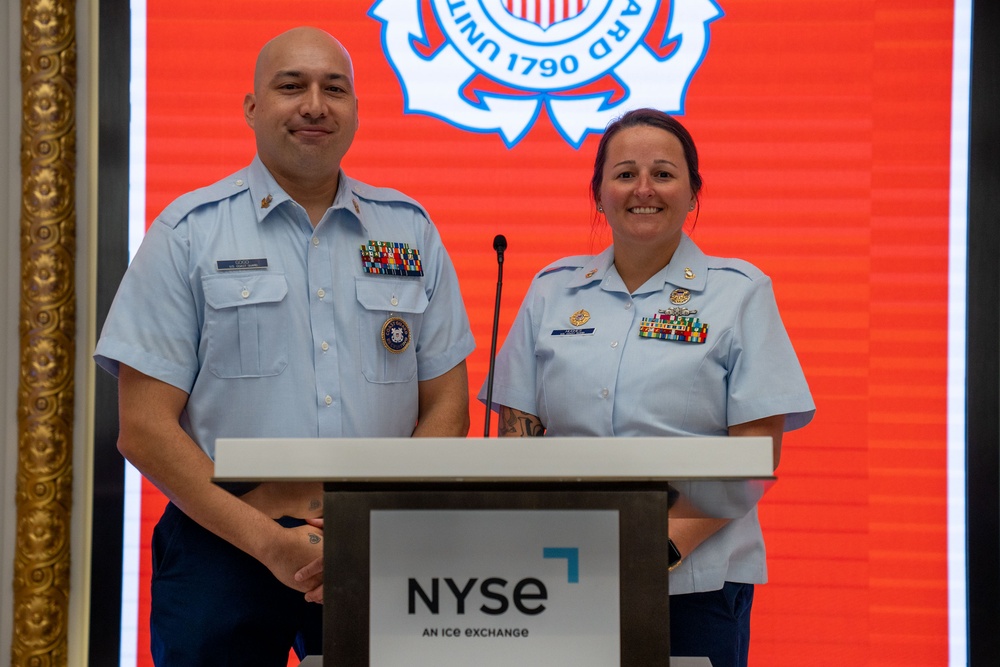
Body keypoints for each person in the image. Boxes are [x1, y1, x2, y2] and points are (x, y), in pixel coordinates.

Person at [95, 26, 475, 666]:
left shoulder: (409, 231)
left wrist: (372, 523)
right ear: (251, 108)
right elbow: (144, 429)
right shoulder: (189, 232)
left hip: (381, 543)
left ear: (356, 109)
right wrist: (270, 544)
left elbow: (447, 406)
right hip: (223, 543)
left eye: (335, 89)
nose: (315, 105)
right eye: (291, 86)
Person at [479, 108, 814, 667]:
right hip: (559, 574)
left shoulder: (740, 293)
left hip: (694, 580)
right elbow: (518, 439)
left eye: (663, 173)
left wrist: (661, 544)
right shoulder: (551, 291)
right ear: (599, 193)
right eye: (625, 173)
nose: (644, 189)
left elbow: (758, 452)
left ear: (693, 193)